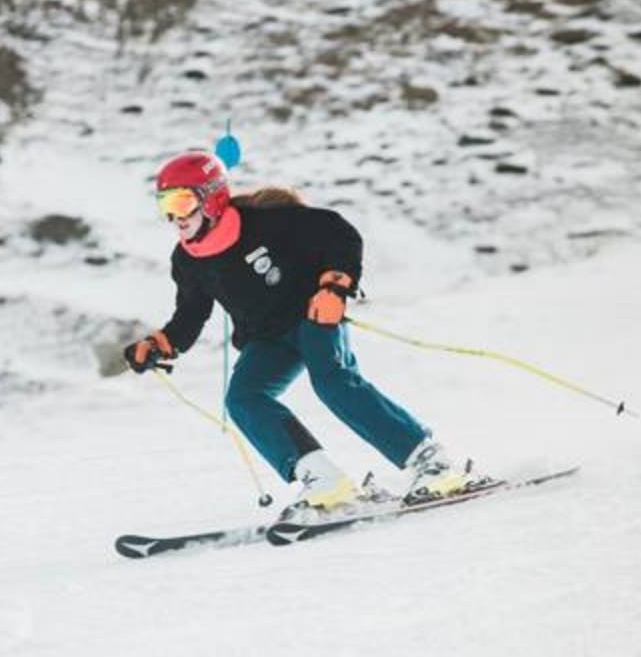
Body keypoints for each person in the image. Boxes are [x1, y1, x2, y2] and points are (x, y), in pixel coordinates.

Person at [124, 150, 488, 517]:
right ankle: (325, 482)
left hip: (313, 315)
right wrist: (161, 343)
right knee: (244, 399)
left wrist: (335, 288)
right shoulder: (187, 259)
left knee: (333, 382)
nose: (174, 216)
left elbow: (340, 235)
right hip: (266, 338)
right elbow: (191, 314)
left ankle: (433, 465)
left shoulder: (267, 223)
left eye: (182, 202)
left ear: (213, 197)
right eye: (165, 205)